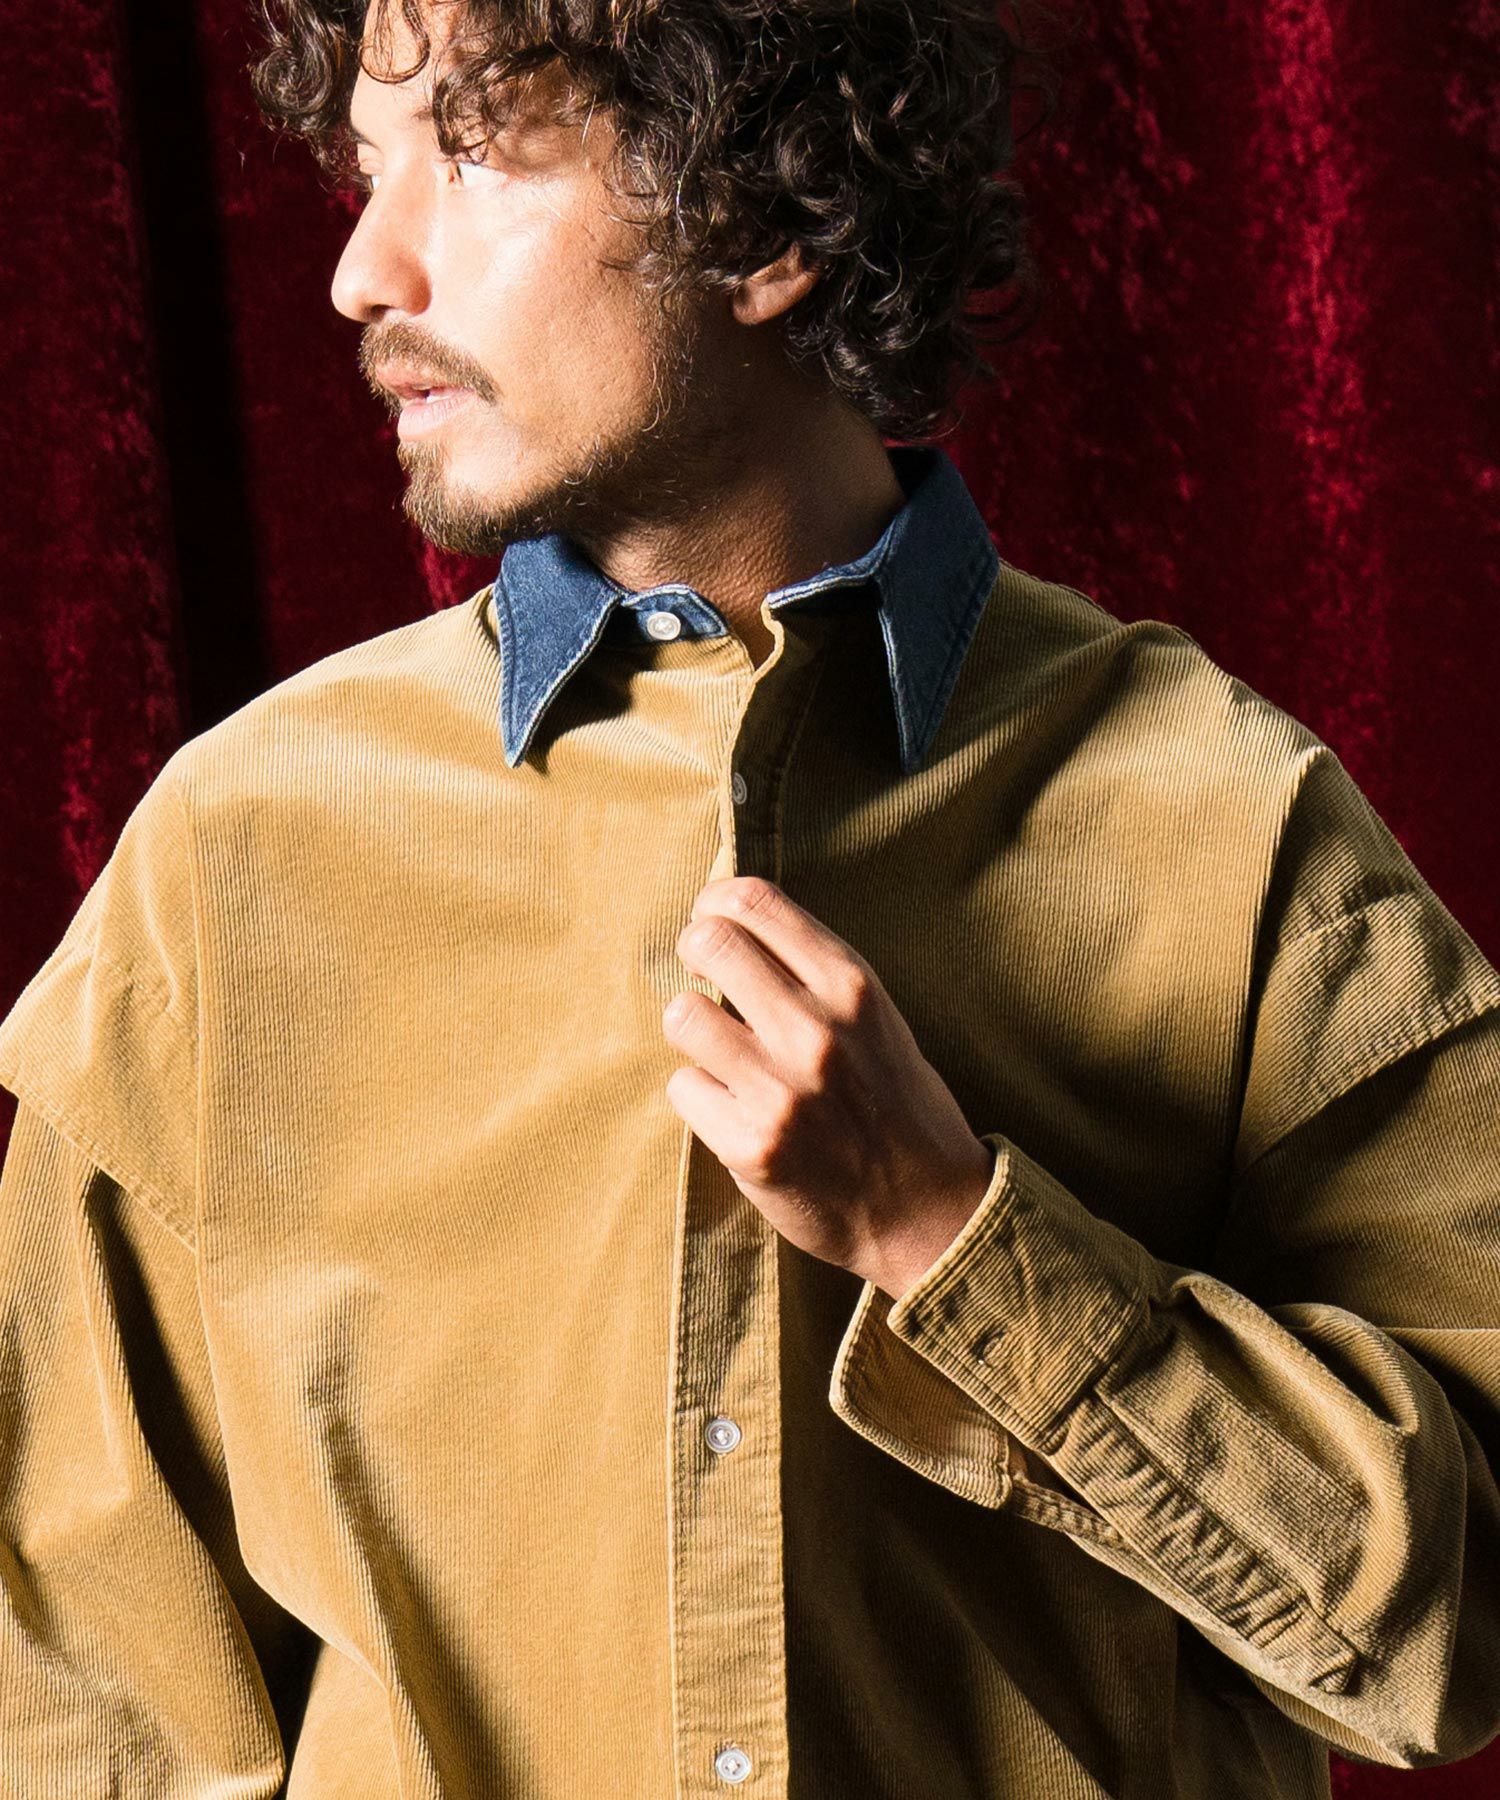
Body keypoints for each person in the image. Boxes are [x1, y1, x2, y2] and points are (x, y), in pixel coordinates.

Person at [1, 0, 1497, 1792]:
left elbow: (1461, 1638)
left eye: (473, 152)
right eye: (368, 166)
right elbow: (86, 1711)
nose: (360, 270)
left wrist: (952, 1241)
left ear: (769, 217)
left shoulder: (1236, 826)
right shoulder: (230, 864)